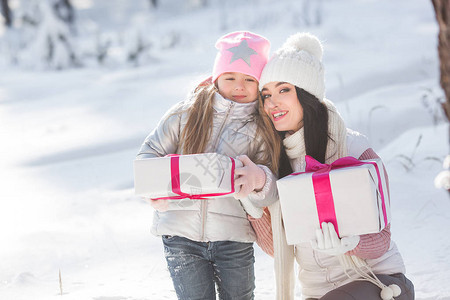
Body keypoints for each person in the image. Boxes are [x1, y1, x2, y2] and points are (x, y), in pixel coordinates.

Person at [256, 32, 415, 300]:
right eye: (266, 94)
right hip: (319, 291)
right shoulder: (276, 162)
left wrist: (350, 244)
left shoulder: (355, 149)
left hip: (380, 282)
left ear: (306, 94)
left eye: (284, 89)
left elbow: (382, 239)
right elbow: (278, 246)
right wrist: (253, 204)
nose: (273, 103)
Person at [136, 31, 280, 300]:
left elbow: (273, 189)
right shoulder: (185, 114)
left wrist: (258, 179)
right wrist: (156, 187)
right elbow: (148, 155)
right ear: (217, 78)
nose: (239, 86)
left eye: (249, 79)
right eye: (230, 77)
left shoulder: (261, 130)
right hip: (180, 235)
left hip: (234, 238)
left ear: (260, 85)